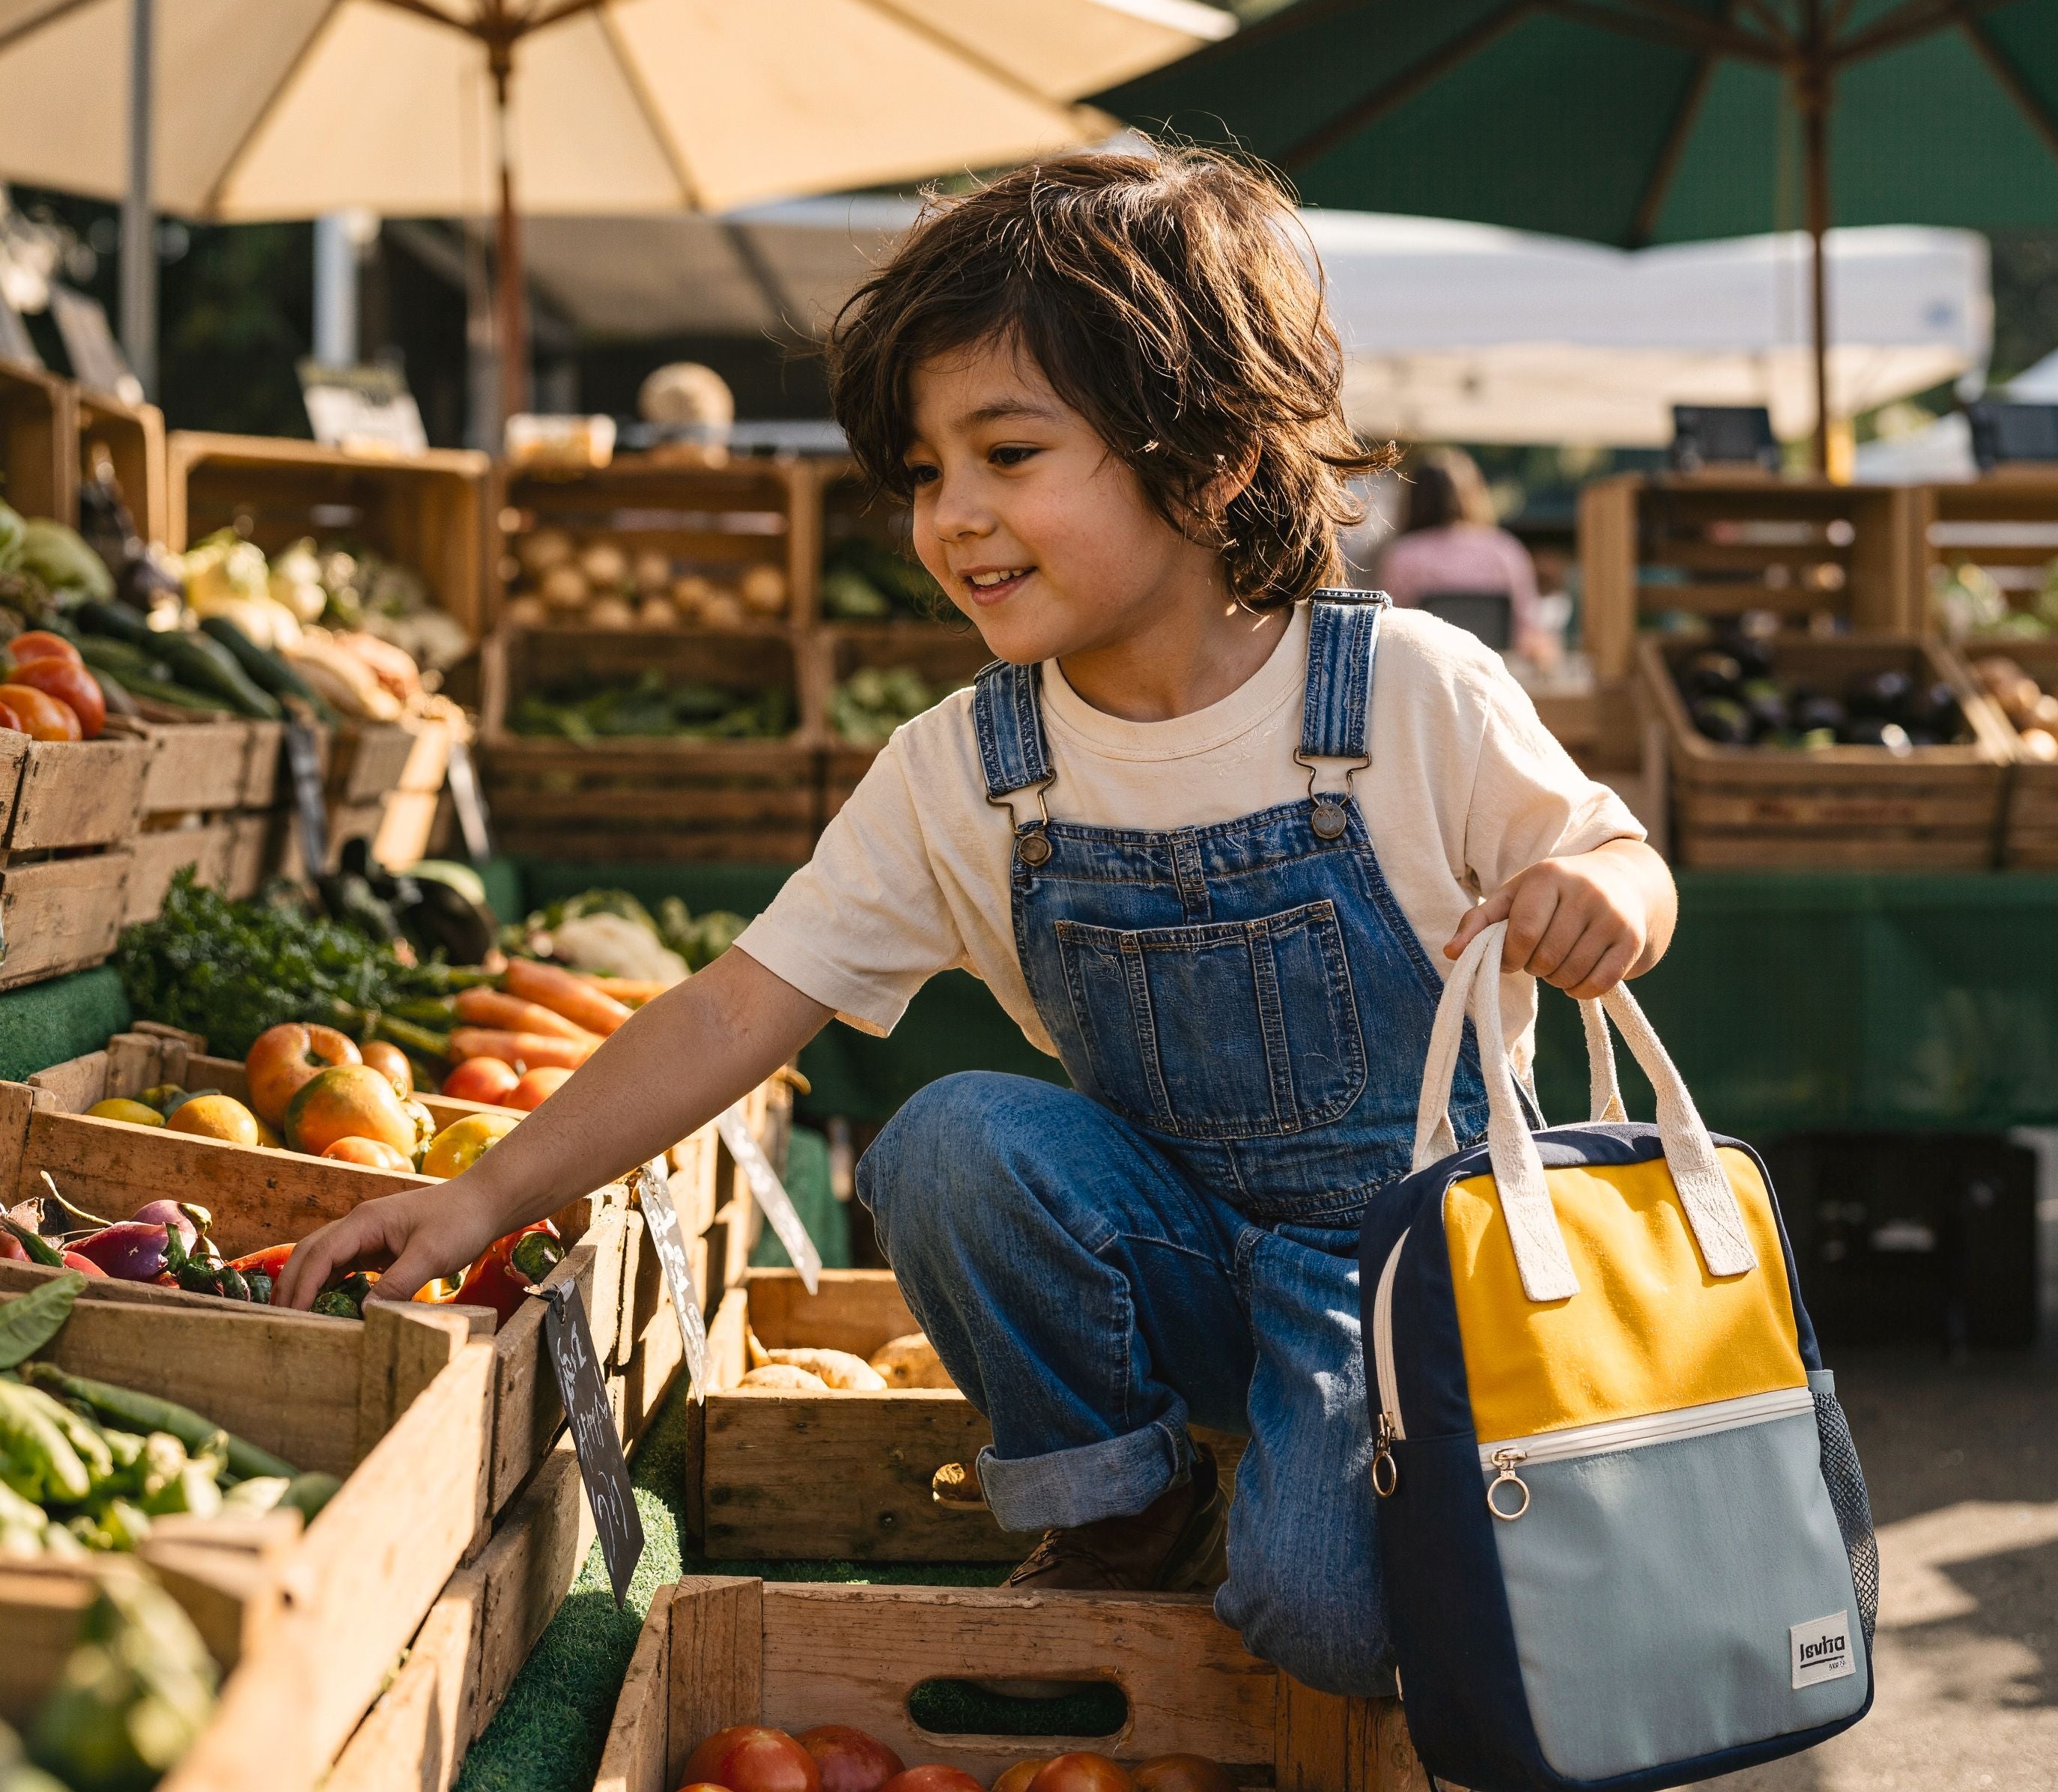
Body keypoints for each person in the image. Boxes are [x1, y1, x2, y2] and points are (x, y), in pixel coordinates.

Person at [276, 145, 1675, 1697]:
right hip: (1170, 1255)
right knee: (946, 1141)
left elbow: (1620, 854)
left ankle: (1352, 1512)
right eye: (926, 472)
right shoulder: (967, 767)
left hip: (1410, 1279)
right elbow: (734, 1007)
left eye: (1007, 451)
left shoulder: (1403, 689)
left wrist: (1598, 895)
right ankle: (1124, 1499)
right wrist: (480, 1195)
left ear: (1208, 461)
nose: (953, 516)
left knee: (1327, 1625)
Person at [1376, 449, 1556, 665]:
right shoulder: (1505, 550)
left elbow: (1388, 630)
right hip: (1493, 674)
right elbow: (1528, 631)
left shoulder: (1403, 555)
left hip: (1426, 673)